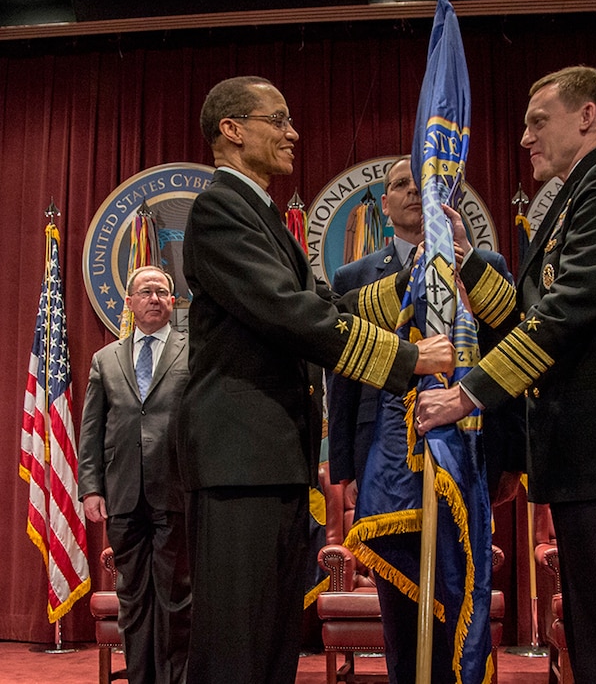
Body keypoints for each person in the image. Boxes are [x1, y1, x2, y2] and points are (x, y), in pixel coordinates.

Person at [178, 75, 454, 684]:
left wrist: (416, 284)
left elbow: (325, 299)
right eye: (277, 119)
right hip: (239, 461)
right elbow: (290, 312)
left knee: (271, 643)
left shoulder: (259, 212)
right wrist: (409, 360)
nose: (292, 132)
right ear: (232, 130)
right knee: (236, 644)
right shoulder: (219, 209)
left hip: (270, 458)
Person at [416, 65, 596, 683]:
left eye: (539, 121)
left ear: (587, 116)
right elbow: (527, 316)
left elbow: (563, 318)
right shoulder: (575, 197)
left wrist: (469, 395)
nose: (525, 138)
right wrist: (468, 261)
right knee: (594, 639)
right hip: (583, 457)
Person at [326, 156, 521, 684]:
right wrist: (342, 467)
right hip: (384, 463)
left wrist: (512, 457)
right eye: (399, 186)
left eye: (424, 184)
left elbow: (511, 360)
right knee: (399, 602)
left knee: (462, 588)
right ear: (384, 205)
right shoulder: (355, 277)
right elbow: (342, 378)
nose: (413, 192)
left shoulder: (488, 267)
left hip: (469, 454)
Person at [78, 264, 191, 684]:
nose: (155, 299)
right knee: (133, 598)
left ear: (173, 302)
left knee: (177, 596)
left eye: (163, 292)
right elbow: (92, 429)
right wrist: (91, 487)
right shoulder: (105, 360)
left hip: (176, 492)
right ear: (130, 302)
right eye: (146, 292)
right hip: (124, 495)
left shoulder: (192, 350)